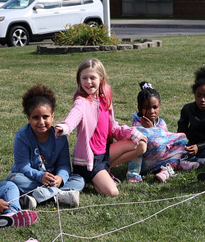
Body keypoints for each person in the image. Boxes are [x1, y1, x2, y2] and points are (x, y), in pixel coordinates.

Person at [53, 58, 147, 198]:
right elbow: (74, 116)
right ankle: (93, 177)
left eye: (92, 78)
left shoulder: (105, 99)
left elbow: (113, 127)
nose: (88, 82)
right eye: (84, 78)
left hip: (105, 153)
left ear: (101, 79)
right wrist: (65, 127)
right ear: (79, 80)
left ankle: (104, 172)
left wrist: (132, 133)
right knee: (112, 192)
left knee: (141, 145)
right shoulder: (82, 101)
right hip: (89, 160)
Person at [8, 84, 83, 210]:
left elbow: (64, 164)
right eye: (35, 118)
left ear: (52, 116)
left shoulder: (60, 137)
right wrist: (40, 176)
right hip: (31, 178)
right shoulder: (22, 137)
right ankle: (59, 195)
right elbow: (22, 166)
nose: (41, 122)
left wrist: (60, 178)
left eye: (45, 117)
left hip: (52, 179)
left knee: (79, 180)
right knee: (13, 179)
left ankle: (39, 195)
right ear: (28, 118)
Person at [125, 81, 196, 183]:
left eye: (155, 107)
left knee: (182, 138)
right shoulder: (137, 125)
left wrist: (155, 130)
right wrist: (133, 174)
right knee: (138, 142)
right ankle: (134, 174)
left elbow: (166, 141)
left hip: (162, 159)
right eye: (146, 108)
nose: (151, 111)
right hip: (145, 165)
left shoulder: (161, 123)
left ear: (160, 106)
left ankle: (169, 167)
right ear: (139, 108)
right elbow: (148, 143)